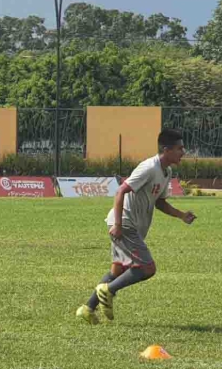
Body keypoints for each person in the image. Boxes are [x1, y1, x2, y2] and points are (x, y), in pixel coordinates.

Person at [76, 129, 196, 324]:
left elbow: (160, 202)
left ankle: (87, 309)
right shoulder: (149, 167)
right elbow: (121, 191)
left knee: (117, 271)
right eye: (179, 148)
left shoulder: (167, 172)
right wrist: (118, 224)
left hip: (129, 225)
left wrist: (181, 215)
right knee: (147, 268)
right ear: (166, 150)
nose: (183, 152)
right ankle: (108, 290)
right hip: (124, 224)